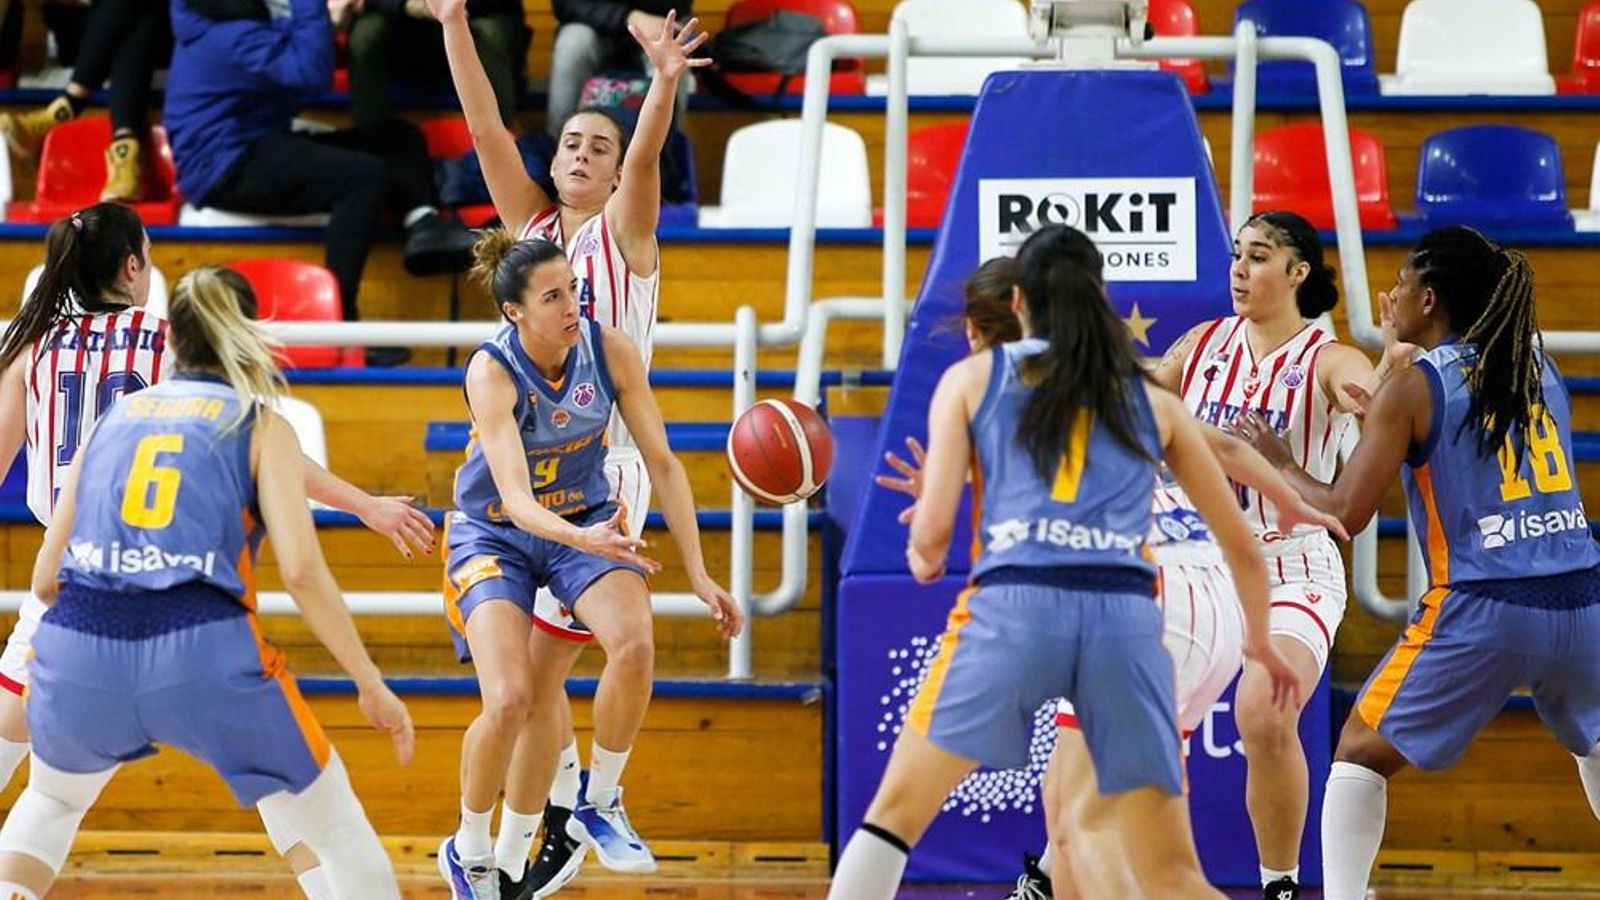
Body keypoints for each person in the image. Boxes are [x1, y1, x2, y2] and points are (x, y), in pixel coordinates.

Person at [828, 225, 1298, 900]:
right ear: (1095, 296)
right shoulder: (1136, 389)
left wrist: (933, 530)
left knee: (905, 818)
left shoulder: (976, 380)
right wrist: (1292, 512)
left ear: (1016, 305)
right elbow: (1227, 482)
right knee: (1148, 862)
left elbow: (935, 547)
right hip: (1142, 610)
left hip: (1035, 602)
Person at [0, 205, 433, 900]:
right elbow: (263, 460)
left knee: (48, 799)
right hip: (190, 602)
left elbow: (38, 556)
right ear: (134, 268)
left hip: (75, 599)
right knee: (290, 795)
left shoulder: (38, 351)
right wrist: (366, 505)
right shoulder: (170, 346)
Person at [1232, 226, 1600, 900]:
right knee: (1596, 741)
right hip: (1583, 598)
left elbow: (1343, 512)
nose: (1389, 292)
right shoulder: (1535, 364)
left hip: (1487, 604)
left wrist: (1280, 461)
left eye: (1401, 281)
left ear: (1429, 298)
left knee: (1360, 752)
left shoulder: (1414, 388)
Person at [430, 0, 706, 888]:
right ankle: (543, 828)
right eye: (572, 144)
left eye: (600, 145)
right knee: (534, 688)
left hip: (607, 472)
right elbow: (482, 128)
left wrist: (662, 81)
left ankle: (554, 821)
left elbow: (650, 149)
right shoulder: (533, 234)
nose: (583, 153)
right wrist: (453, 25)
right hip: (532, 479)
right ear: (553, 165)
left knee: (553, 679)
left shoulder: (625, 238)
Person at [436, 231, 740, 900]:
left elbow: (663, 461)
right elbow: (514, 500)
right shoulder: (490, 370)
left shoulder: (608, 350)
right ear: (515, 312)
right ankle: (469, 845)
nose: (572, 305)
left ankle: (599, 799)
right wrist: (587, 543)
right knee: (512, 697)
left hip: (582, 518)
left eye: (573, 288)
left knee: (633, 644)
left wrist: (699, 571)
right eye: (552, 297)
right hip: (493, 535)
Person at [1149, 209, 1376, 900]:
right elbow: (1140, 400)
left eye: (1258, 257)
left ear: (1297, 271)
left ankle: (1279, 886)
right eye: (1237, 256)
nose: (1240, 271)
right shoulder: (1202, 343)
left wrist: (1375, 392)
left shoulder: (1329, 357)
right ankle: (1069, 864)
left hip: (1294, 566)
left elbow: (1364, 399)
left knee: (1265, 712)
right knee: (1117, 708)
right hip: (1200, 565)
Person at [164, 0, 475, 365]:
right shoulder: (228, 33)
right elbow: (311, 71)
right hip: (222, 164)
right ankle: (342, 325)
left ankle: (424, 224)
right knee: (362, 177)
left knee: (398, 137)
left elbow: (298, 57)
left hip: (253, 141)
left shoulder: (228, 18)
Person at [0, 0, 169, 200]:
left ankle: (69, 106)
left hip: (156, 26)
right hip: (88, 29)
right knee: (134, 22)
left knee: (139, 24)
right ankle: (125, 154)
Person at [344, 0, 527, 132]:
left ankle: (504, 144)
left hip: (477, 16)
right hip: (407, 22)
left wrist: (447, 7)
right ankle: (372, 144)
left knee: (490, 33)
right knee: (365, 35)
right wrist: (407, 5)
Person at [547, 0, 691, 139]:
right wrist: (628, 16)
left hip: (656, 21)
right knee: (574, 44)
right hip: (592, 23)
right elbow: (566, 4)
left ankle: (665, 155)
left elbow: (678, 5)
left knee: (671, 54)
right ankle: (562, 147)